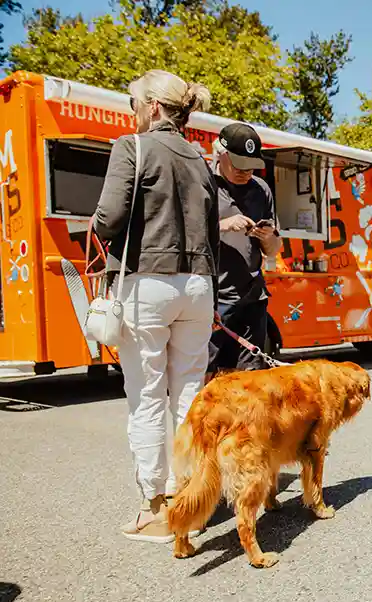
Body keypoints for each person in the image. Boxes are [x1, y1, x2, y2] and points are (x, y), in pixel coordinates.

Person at [92, 69, 218, 542]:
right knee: (188, 395)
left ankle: (157, 510)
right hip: (198, 285)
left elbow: (109, 217)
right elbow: (210, 233)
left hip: (148, 282)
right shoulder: (201, 159)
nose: (131, 112)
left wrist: (100, 228)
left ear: (152, 106)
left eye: (132, 103)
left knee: (145, 397)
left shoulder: (133, 146)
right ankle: (192, 496)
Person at [206, 122, 282, 378]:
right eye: (239, 165)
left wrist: (267, 237)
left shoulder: (261, 189)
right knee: (209, 375)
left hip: (253, 297)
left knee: (251, 379)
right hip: (215, 299)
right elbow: (185, 237)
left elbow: (273, 250)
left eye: (251, 167)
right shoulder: (204, 184)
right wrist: (223, 226)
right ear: (221, 154)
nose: (245, 172)